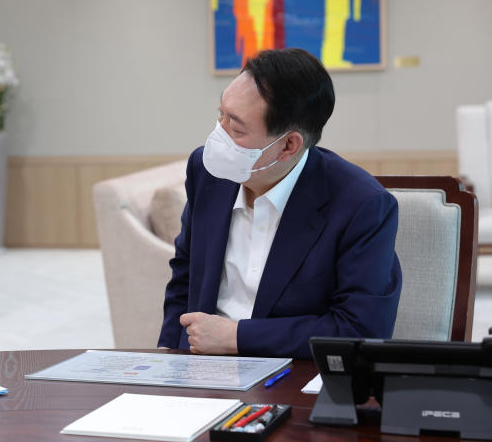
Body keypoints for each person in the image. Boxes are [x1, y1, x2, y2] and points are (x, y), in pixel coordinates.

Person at [158, 48, 401, 359]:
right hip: (202, 365)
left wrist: (238, 337)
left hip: (293, 372)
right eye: (221, 115)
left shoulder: (362, 205)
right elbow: (185, 273)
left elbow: (361, 329)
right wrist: (168, 354)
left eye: (236, 128)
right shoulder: (207, 172)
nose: (219, 136)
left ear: (288, 145)